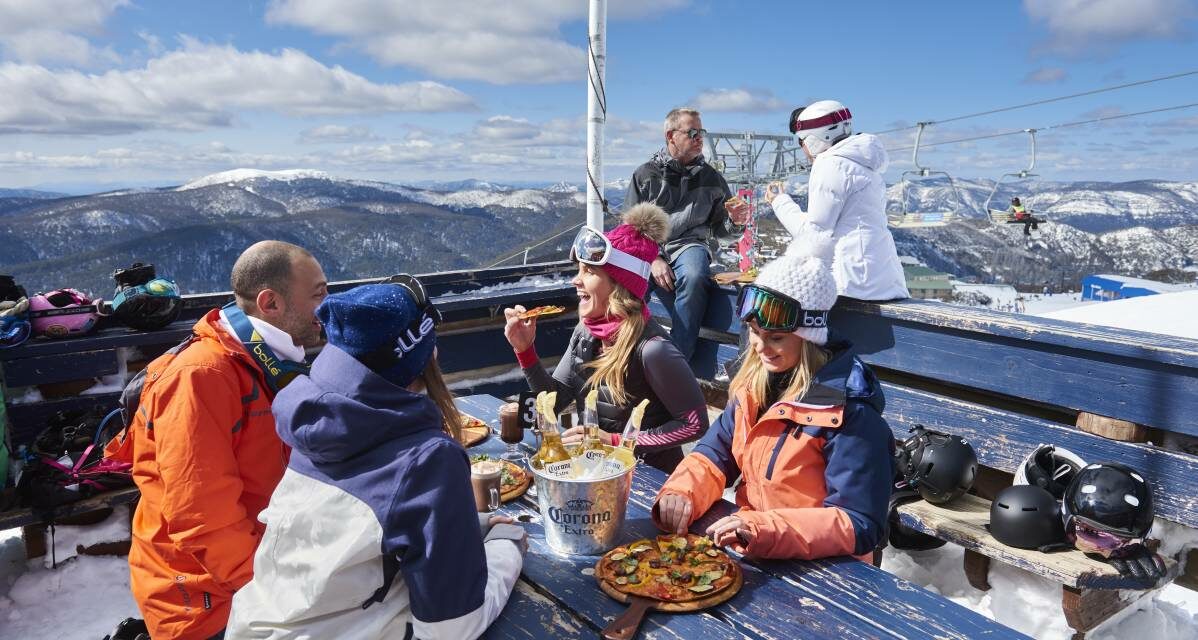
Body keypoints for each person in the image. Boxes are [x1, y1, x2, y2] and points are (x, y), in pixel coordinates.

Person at [227, 280, 525, 639]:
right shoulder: (428, 459)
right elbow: (453, 629)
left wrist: (465, 524)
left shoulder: (313, 423)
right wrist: (505, 547)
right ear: (423, 356)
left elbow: (363, 532)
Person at [104, 241, 327, 640]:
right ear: (270, 303)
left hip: (258, 564)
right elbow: (201, 513)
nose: (327, 306)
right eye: (318, 294)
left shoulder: (265, 360)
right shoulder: (203, 376)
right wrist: (269, 590)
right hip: (206, 599)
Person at [652, 230, 894, 560]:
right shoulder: (755, 386)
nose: (760, 347)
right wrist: (682, 491)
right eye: (754, 332)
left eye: (777, 337)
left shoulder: (849, 413)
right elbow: (716, 452)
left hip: (827, 569)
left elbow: (859, 522)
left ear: (808, 338)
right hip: (757, 545)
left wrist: (763, 529)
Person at [505, 203, 710, 472]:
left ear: (619, 285)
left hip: (649, 482)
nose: (576, 281)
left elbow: (695, 424)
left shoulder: (652, 349)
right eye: (579, 270)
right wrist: (525, 352)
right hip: (597, 471)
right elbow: (553, 404)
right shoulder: (585, 332)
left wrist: (614, 441)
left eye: (589, 271)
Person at [625, 107, 751, 361]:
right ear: (671, 136)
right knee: (626, 288)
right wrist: (653, 259)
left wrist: (735, 224)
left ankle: (677, 363)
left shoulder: (712, 178)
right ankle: (624, 356)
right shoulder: (645, 174)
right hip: (648, 246)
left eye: (701, 132)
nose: (699, 139)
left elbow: (721, 233)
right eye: (692, 132)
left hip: (690, 244)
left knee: (694, 276)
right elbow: (629, 229)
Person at [765, 100, 908, 301]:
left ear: (816, 138)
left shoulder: (829, 163)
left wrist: (779, 201)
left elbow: (814, 233)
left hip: (852, 280)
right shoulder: (861, 161)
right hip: (884, 277)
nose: (803, 149)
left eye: (802, 141)